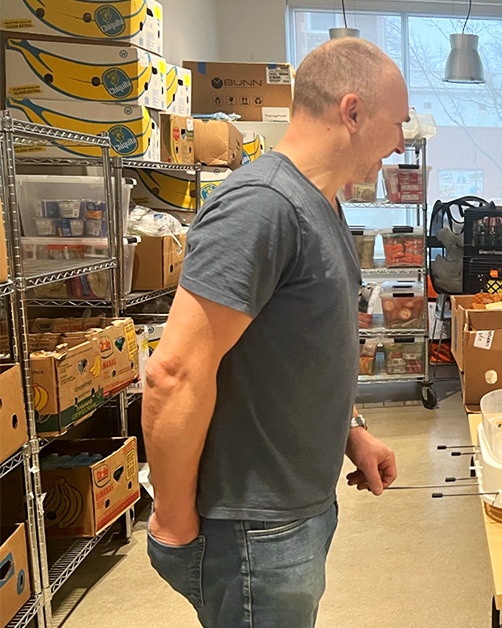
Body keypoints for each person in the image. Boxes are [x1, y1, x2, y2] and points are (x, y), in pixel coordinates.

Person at [142, 38, 406, 628]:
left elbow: (298, 352)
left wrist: (351, 432)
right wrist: (175, 517)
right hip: (254, 527)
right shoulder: (262, 206)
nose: (399, 143)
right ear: (354, 111)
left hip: (296, 507)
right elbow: (174, 373)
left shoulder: (322, 204)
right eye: (397, 124)